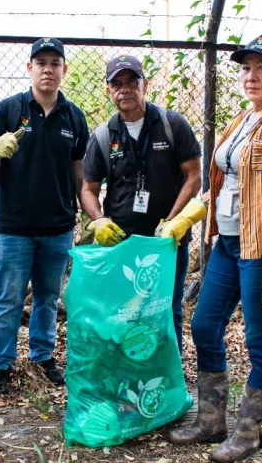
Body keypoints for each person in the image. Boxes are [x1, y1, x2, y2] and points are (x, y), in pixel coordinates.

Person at [167, 34, 262, 463]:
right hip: (228, 246)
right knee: (204, 326)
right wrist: (189, 218)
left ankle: (248, 432)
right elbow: (222, 183)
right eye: (246, 68)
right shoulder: (242, 119)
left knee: (261, 342)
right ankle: (212, 420)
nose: (251, 76)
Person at [0, 37, 90, 394]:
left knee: (48, 296)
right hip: (12, 225)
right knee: (9, 297)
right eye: (40, 62)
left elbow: (79, 171)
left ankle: (42, 357)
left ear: (64, 70)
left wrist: (88, 214)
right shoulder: (8, 109)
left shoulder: (74, 116)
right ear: (29, 68)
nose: (47, 69)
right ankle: (0, 363)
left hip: (58, 224)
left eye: (54, 63)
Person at [78, 54, 203, 353]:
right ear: (109, 91)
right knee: (126, 309)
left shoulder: (172, 125)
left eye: (131, 82)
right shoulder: (103, 136)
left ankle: (168, 373)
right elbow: (88, 189)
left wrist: (173, 220)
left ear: (144, 85)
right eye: (116, 84)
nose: (125, 90)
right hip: (124, 244)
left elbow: (194, 176)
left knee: (166, 308)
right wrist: (99, 220)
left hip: (167, 242)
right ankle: (131, 371)